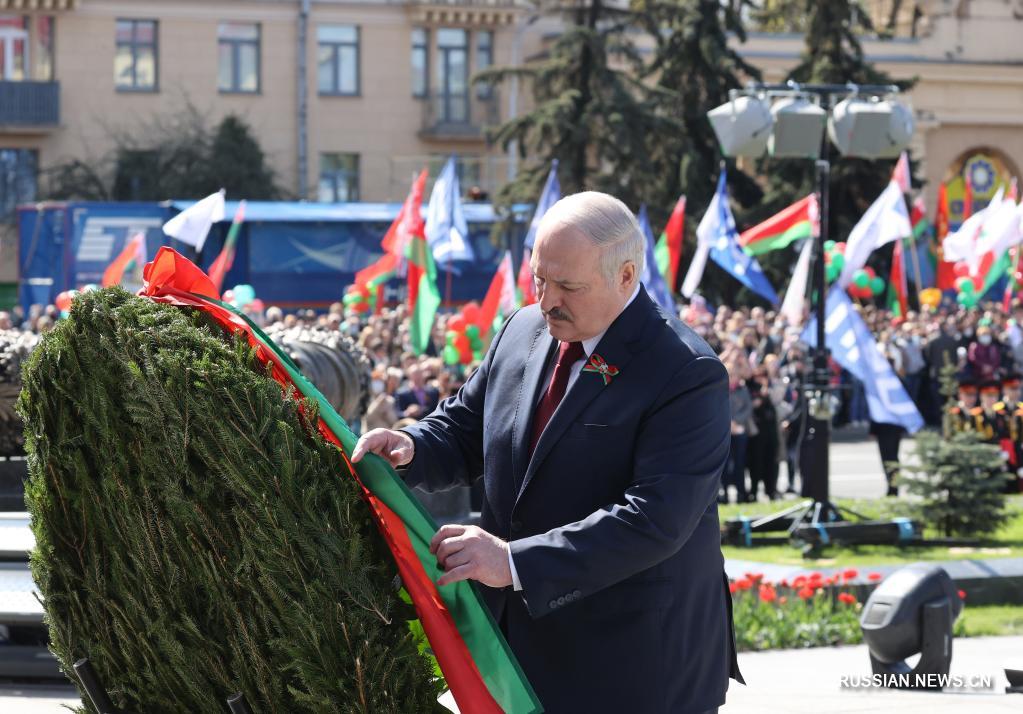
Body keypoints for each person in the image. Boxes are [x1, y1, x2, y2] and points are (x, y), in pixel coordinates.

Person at [352, 191, 743, 713]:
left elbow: (655, 520)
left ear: (626, 276)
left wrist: (514, 562)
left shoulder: (684, 371)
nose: (546, 299)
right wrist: (412, 445)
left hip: (634, 664)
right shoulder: (523, 329)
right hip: (518, 652)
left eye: (567, 285)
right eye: (539, 277)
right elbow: (469, 428)